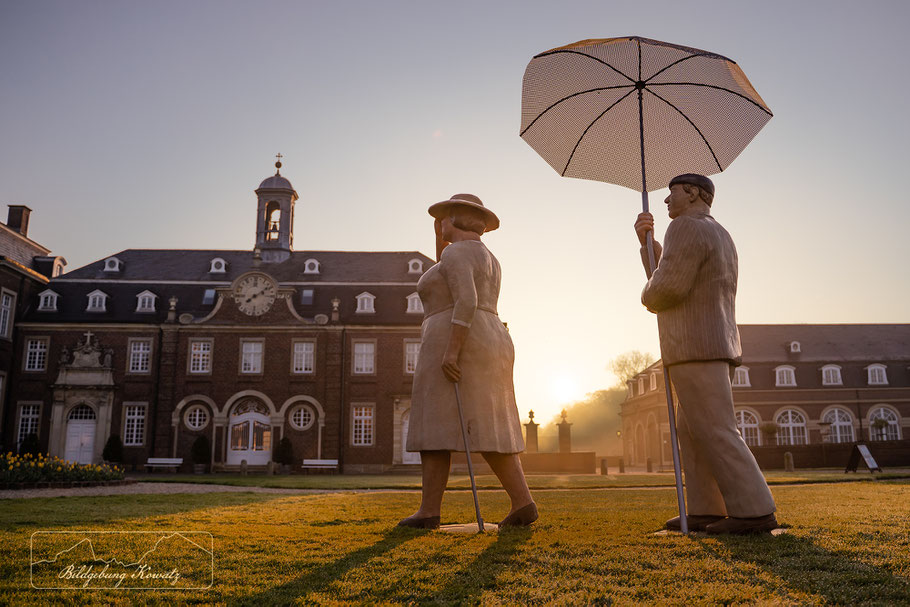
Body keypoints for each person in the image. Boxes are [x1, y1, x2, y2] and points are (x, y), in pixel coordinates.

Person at [634, 174, 777, 535]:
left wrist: (647, 294)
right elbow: (678, 275)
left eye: (672, 194)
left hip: (694, 345)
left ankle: (754, 510)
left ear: (694, 193)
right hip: (716, 342)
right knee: (692, 430)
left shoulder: (684, 228)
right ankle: (704, 507)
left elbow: (666, 289)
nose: (666, 202)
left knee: (714, 429)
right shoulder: (718, 232)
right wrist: (646, 245)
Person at [399, 193, 537, 530]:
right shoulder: (486, 256)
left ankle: (429, 510)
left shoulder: (455, 252)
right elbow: (452, 281)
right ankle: (523, 502)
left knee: (434, 426)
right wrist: (439, 240)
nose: (439, 223)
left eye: (444, 217)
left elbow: (465, 300)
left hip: (457, 336)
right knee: (492, 423)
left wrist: (452, 349)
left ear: (456, 219)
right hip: (491, 337)